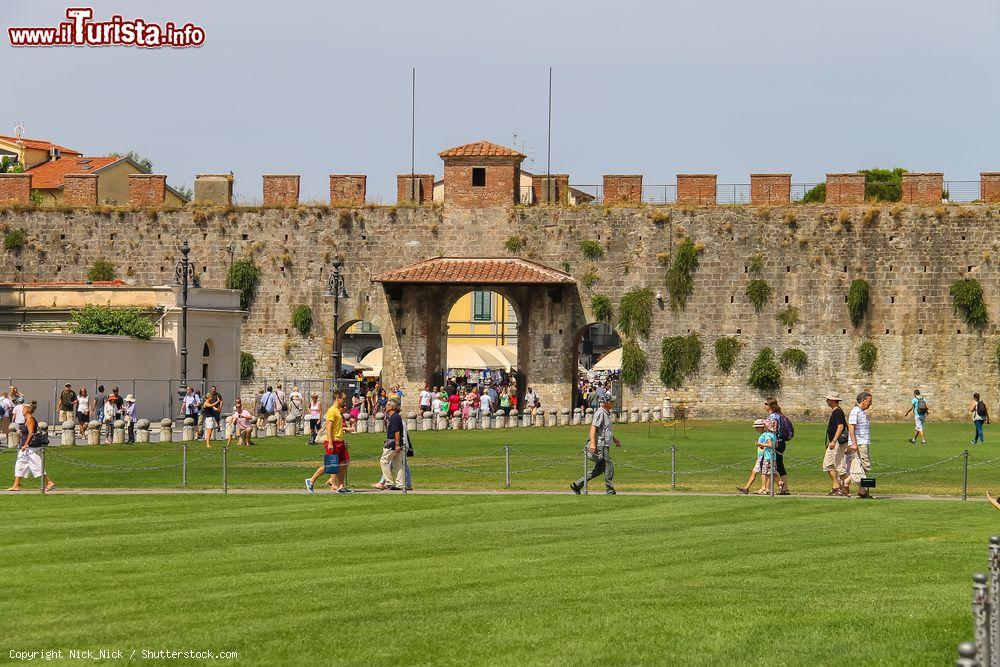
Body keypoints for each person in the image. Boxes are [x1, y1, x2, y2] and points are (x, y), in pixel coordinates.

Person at [570, 394, 621, 495]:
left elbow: (605, 430)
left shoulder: (606, 413)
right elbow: (593, 428)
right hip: (600, 444)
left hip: (604, 443)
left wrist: (615, 440)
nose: (613, 403)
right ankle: (609, 490)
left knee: (598, 470)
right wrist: (593, 444)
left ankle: (577, 485)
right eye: (611, 401)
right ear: (606, 403)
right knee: (609, 465)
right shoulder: (600, 413)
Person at [305, 390, 352, 494]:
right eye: (343, 399)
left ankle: (341, 486)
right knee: (330, 465)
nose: (345, 401)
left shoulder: (337, 411)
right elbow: (329, 428)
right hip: (333, 441)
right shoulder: (332, 411)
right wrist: (330, 442)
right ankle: (311, 480)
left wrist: (346, 430)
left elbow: (336, 427)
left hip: (339, 441)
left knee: (344, 463)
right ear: (338, 398)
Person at [7, 402, 56, 492]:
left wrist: (26, 444)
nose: (22, 410)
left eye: (23, 409)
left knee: (36, 465)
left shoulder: (30, 419)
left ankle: (49, 482)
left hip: (30, 448)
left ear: (28, 410)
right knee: (20, 465)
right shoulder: (27, 419)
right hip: (25, 448)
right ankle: (16, 485)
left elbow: (31, 433)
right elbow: (27, 432)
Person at [844, 391, 874, 499]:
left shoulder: (862, 412)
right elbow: (851, 428)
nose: (870, 404)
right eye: (869, 401)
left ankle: (861, 490)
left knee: (862, 467)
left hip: (863, 442)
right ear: (863, 400)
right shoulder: (855, 411)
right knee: (864, 466)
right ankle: (852, 485)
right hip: (860, 443)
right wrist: (854, 444)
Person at [737, 418, 776, 495]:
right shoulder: (766, 435)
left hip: (764, 456)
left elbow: (767, 445)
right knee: (757, 472)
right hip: (762, 456)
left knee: (764, 473)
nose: (756, 429)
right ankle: (747, 488)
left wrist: (759, 445)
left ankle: (765, 488)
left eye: (757, 427)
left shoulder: (766, 435)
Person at [374, 398, 406, 491]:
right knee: (398, 464)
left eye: (387, 405)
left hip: (393, 443)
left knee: (384, 461)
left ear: (391, 407)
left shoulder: (395, 417)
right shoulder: (392, 416)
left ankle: (389, 482)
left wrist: (396, 444)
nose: (385, 406)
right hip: (394, 442)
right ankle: (400, 483)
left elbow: (396, 432)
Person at [764, 397, 792, 495]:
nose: (764, 406)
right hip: (781, 442)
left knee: (775, 465)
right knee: (780, 465)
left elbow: (772, 431)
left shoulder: (772, 417)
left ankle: (780, 487)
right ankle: (784, 488)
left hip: (776, 443)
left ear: (770, 406)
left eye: (766, 404)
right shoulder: (780, 415)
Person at [822, 392, 848, 496]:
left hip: (836, 442)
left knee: (839, 466)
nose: (827, 401)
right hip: (834, 442)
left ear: (833, 400)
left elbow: (840, 426)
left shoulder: (837, 412)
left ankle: (845, 487)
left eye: (828, 399)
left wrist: (834, 441)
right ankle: (836, 486)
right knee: (828, 464)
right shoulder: (836, 411)